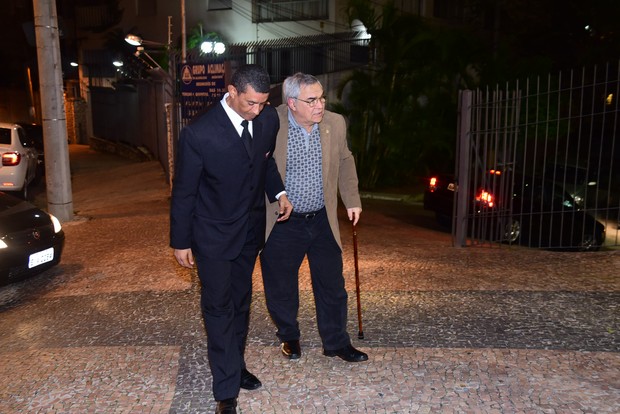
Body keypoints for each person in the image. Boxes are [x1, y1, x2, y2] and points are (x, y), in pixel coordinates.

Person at [170, 64, 292, 414]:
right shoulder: (199, 134)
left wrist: (279, 193)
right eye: (251, 103)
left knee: (240, 304)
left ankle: (236, 367)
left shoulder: (268, 120)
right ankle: (225, 390)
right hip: (211, 235)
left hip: (249, 231)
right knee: (219, 308)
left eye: (263, 104)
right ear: (231, 92)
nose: (257, 111)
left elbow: (264, 164)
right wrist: (180, 241)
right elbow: (184, 192)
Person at [260, 72, 368, 364]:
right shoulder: (272, 122)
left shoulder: (334, 123)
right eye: (312, 100)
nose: (320, 105)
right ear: (292, 103)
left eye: (321, 98)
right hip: (283, 220)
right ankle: (289, 336)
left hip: (321, 219)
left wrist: (352, 200)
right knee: (281, 285)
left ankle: (335, 342)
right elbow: (259, 164)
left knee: (332, 284)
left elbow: (345, 160)